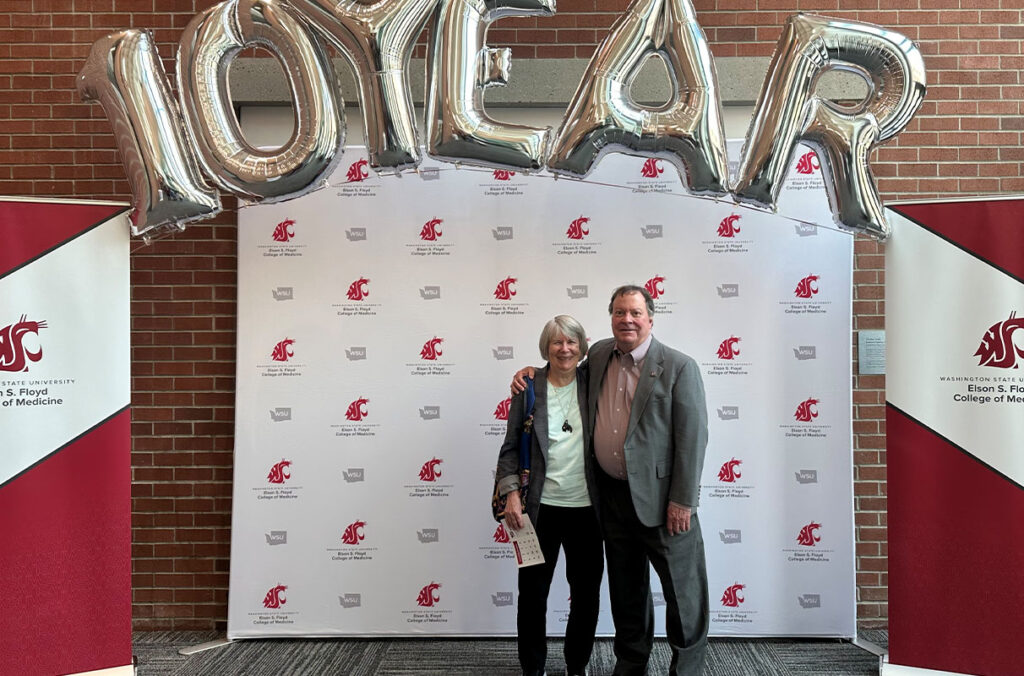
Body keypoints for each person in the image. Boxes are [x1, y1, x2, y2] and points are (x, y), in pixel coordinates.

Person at [513, 286, 710, 676]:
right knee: (627, 592)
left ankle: (687, 670)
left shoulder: (678, 366)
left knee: (683, 595)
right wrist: (529, 372)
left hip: (663, 501)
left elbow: (693, 438)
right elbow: (561, 369)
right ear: (611, 319)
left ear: (650, 318)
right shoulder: (600, 355)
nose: (627, 320)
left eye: (635, 313)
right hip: (612, 501)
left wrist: (682, 501)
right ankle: (631, 663)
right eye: (619, 313)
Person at [496, 315, 603, 676]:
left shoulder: (594, 382)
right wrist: (511, 494)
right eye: (557, 342)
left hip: (588, 510)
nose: (565, 349)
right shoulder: (527, 387)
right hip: (539, 511)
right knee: (532, 597)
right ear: (547, 347)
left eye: (572, 341)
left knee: (586, 597)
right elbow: (510, 447)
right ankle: (533, 668)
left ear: (582, 346)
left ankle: (577, 666)